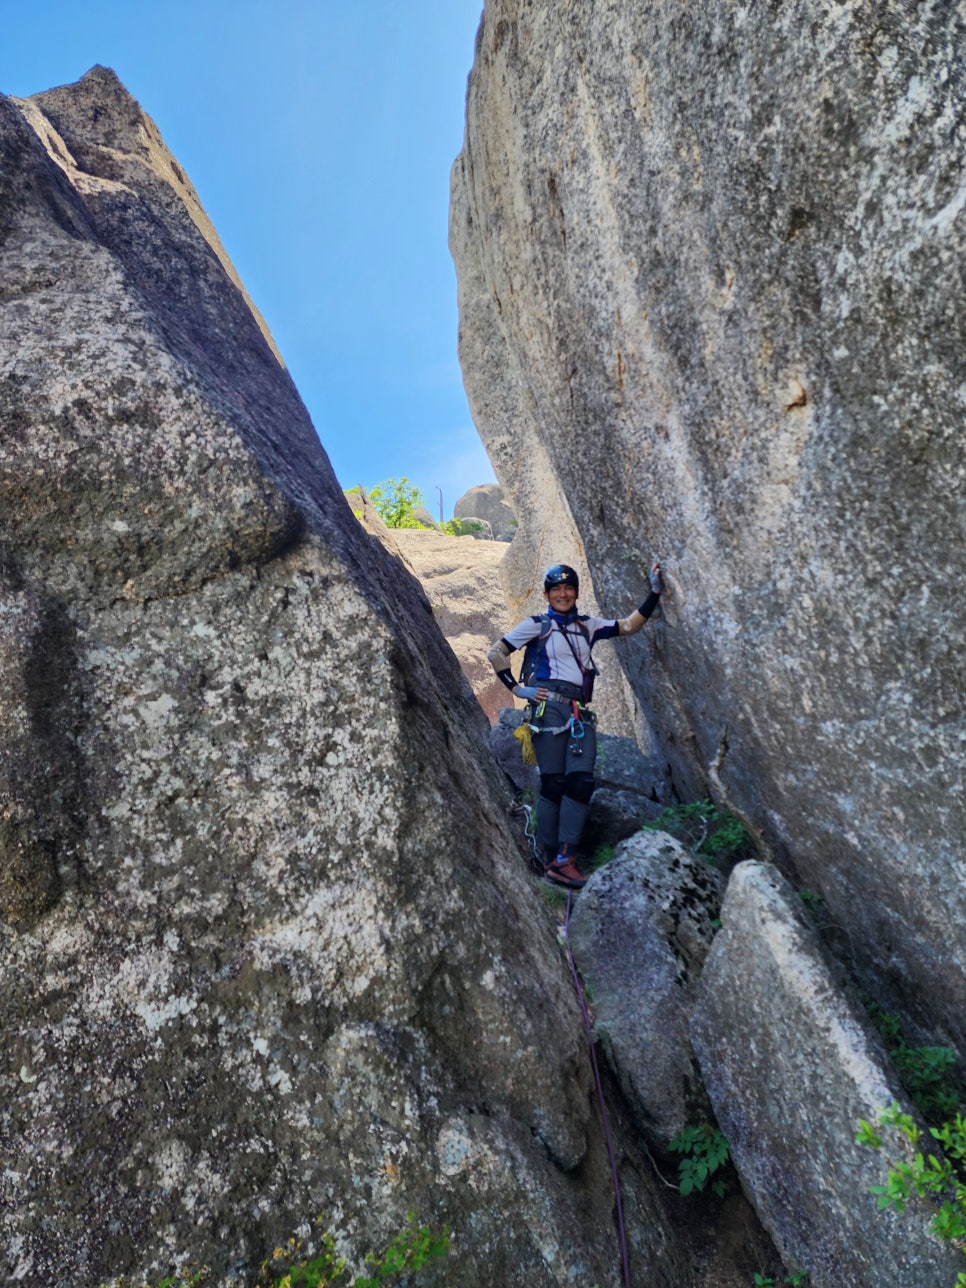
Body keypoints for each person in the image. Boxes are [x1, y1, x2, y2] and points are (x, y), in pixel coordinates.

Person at [487, 561, 664, 890]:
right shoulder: (537, 625)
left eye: (568, 588)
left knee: (581, 783)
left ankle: (566, 859)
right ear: (547, 594)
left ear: (576, 592)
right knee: (554, 784)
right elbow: (497, 652)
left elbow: (628, 626)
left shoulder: (589, 625)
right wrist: (517, 689)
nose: (563, 594)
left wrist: (654, 592)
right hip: (548, 710)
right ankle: (549, 855)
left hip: (579, 713)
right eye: (556, 590)